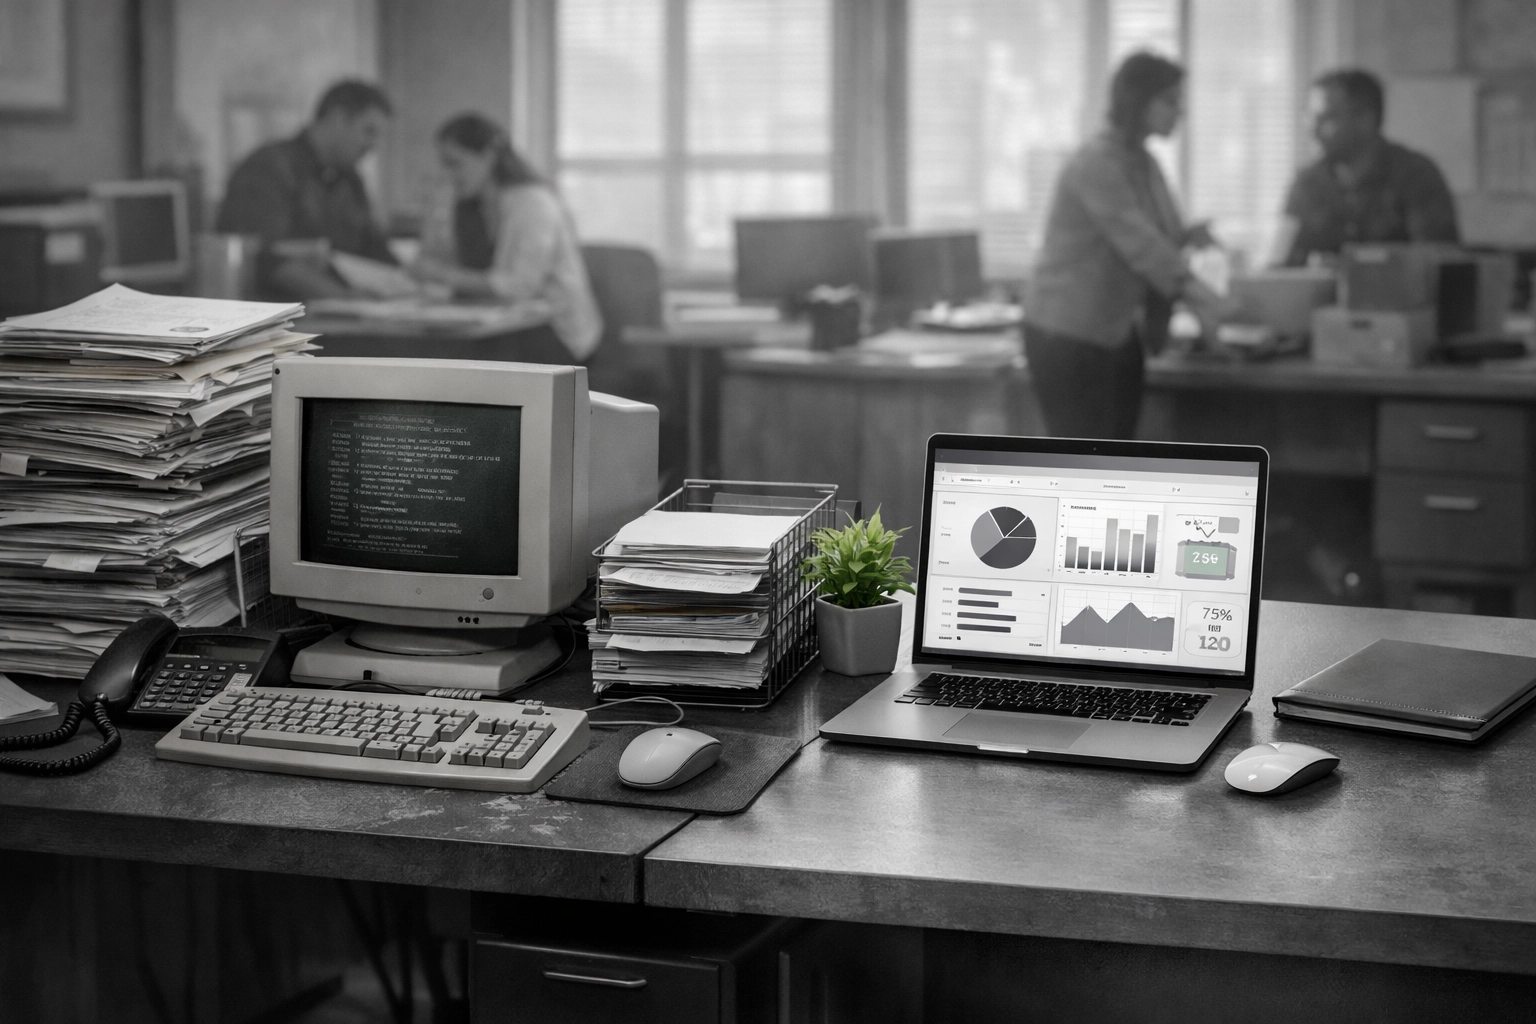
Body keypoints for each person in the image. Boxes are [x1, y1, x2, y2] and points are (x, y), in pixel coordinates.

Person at [1023, 52, 1231, 440]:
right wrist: (1210, 302)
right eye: (1169, 101)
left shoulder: (1144, 162)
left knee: (1117, 455)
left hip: (1115, 331)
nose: (1179, 112)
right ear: (1137, 100)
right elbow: (1140, 244)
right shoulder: (1096, 163)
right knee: (1082, 461)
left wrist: (1192, 237)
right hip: (1067, 334)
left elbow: (1162, 235)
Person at [414, 113, 602, 363]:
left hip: (555, 334)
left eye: (455, 164)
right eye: (444, 165)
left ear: (488, 155)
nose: (448, 175)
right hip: (503, 327)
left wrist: (441, 274)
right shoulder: (471, 206)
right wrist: (434, 213)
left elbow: (518, 287)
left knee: (460, 366)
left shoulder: (533, 203)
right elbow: (438, 259)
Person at [217, 80, 397, 300]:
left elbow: (372, 247)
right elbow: (264, 257)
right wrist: (342, 297)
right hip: (279, 320)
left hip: (341, 316)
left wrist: (409, 281)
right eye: (368, 131)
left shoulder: (350, 179)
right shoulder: (269, 168)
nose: (374, 144)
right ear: (337, 118)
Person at [1278, 68, 1459, 267]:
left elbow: (1439, 260)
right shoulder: (1307, 183)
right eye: (1311, 117)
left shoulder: (1415, 175)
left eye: (1327, 118)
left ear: (1366, 119)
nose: (1313, 129)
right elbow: (1282, 265)